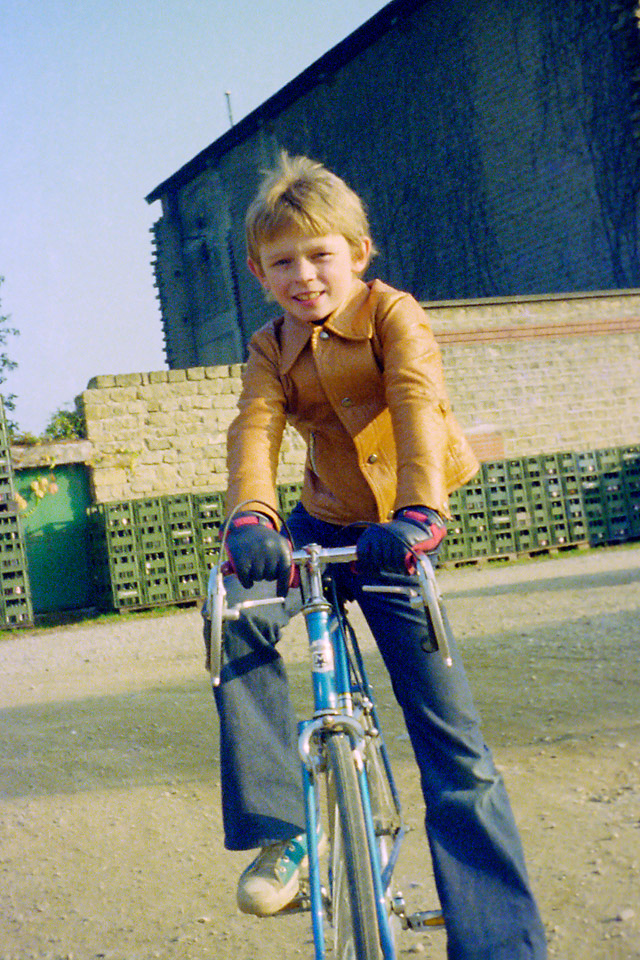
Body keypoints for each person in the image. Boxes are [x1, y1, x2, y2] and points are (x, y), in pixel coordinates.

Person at [205, 153, 547, 959]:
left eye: (320, 254)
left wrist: (420, 510)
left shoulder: (395, 315)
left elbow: (417, 401)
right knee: (236, 605)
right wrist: (251, 520)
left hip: (396, 528)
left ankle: (500, 943)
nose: (304, 276)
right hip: (322, 520)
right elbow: (254, 428)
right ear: (260, 273)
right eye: (282, 262)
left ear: (358, 252)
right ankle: (285, 828)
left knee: (453, 749)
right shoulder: (268, 346)